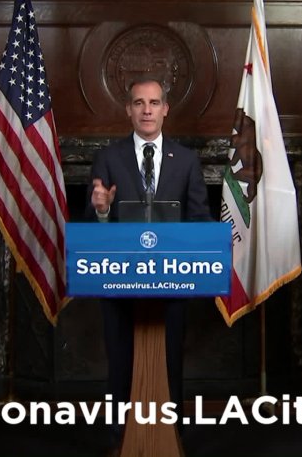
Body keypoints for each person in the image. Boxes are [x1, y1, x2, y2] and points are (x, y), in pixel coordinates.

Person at [86, 76, 211, 448]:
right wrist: (103, 211)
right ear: (128, 109)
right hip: (119, 283)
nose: (146, 110)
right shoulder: (108, 158)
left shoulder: (186, 161)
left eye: (154, 103)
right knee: (120, 360)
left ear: (165, 109)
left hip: (173, 282)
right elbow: (92, 225)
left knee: (170, 360)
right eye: (139, 103)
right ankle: (118, 436)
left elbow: (200, 221)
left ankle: (171, 434)